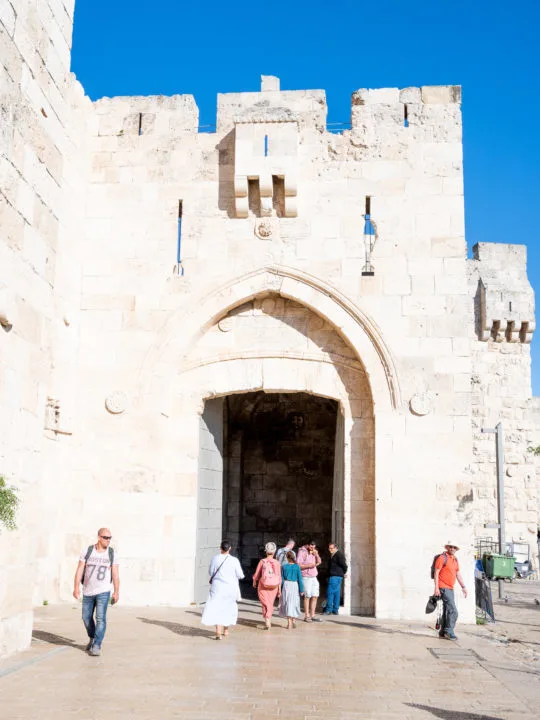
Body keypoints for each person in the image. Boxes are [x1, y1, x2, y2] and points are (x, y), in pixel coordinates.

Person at [73, 528, 119, 657]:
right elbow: (79, 570)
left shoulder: (112, 553)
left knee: (100, 618)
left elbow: (115, 573)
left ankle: (97, 644)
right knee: (86, 618)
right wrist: (76, 587)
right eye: (105, 537)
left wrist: (116, 591)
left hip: (103, 591)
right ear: (99, 537)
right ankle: (92, 637)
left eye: (110, 538)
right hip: (88, 591)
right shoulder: (87, 551)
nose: (108, 540)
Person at [201, 540, 244, 640]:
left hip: (218, 588)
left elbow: (211, 572)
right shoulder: (234, 560)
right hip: (230, 588)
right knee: (227, 608)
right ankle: (226, 630)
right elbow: (240, 575)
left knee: (217, 608)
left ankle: (218, 632)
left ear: (220, 548)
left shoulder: (215, 558)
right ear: (230, 548)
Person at [433, 541, 468, 640]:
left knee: (447, 611)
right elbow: (436, 572)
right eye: (451, 547)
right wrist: (436, 588)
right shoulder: (442, 558)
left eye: (454, 547)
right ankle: (449, 631)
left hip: (450, 588)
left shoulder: (455, 559)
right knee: (453, 611)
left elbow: (457, 574)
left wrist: (463, 587)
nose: (452, 549)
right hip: (443, 587)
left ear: (456, 549)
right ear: (448, 548)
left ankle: (443, 632)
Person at [253, 542, 282, 630]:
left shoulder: (262, 561)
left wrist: (254, 581)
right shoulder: (277, 563)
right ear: (274, 551)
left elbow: (257, 574)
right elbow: (279, 577)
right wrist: (279, 589)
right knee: (270, 603)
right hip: (274, 586)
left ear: (266, 551)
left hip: (263, 585)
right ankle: (268, 619)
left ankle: (267, 621)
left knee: (265, 603)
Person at [296, 540, 322, 622]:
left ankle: (313, 615)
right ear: (307, 545)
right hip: (306, 577)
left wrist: (316, 555)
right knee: (307, 596)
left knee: (315, 595)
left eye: (314, 546)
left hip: (314, 576)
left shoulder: (314, 551)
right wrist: (308, 565)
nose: (312, 547)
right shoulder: (302, 552)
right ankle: (306, 615)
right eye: (311, 546)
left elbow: (319, 562)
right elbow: (298, 565)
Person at [279, 550, 304, 629]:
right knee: (294, 603)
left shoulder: (284, 567)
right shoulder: (297, 567)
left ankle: (289, 623)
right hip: (294, 585)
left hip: (286, 585)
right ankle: (293, 621)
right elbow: (300, 579)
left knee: (287, 603)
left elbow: (282, 579)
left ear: (286, 557)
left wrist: (280, 589)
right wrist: (302, 590)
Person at [323, 542, 348, 615]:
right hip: (337, 576)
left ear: (336, 548)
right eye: (329, 548)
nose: (330, 550)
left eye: (331, 548)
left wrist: (342, 572)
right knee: (336, 593)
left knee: (330, 593)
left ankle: (329, 610)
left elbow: (344, 565)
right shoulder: (334, 555)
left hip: (335, 577)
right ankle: (335, 610)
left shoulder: (338, 555)